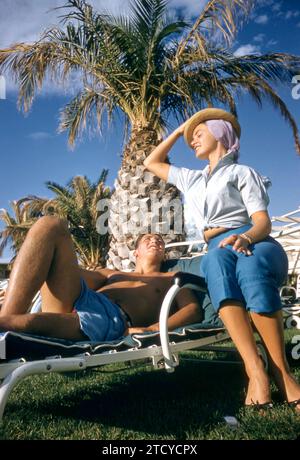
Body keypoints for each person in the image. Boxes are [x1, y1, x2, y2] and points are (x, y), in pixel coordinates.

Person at [144, 107, 300, 411]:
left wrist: (245, 238)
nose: (192, 141)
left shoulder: (243, 172)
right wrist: (180, 131)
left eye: (199, 133)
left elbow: (262, 222)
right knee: (213, 262)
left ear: (220, 133)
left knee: (250, 264)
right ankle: (255, 370)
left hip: (256, 241)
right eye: (190, 137)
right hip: (218, 248)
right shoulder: (192, 179)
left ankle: (282, 373)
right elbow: (151, 162)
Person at [0, 216, 202, 341]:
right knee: (51, 224)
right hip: (82, 300)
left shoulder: (172, 277)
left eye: (159, 241)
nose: (155, 241)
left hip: (111, 318)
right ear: (135, 253)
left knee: (28, 324)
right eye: (147, 239)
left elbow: (192, 310)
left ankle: (5, 330)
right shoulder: (111, 273)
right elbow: (62, 273)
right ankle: (4, 326)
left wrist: (151, 330)